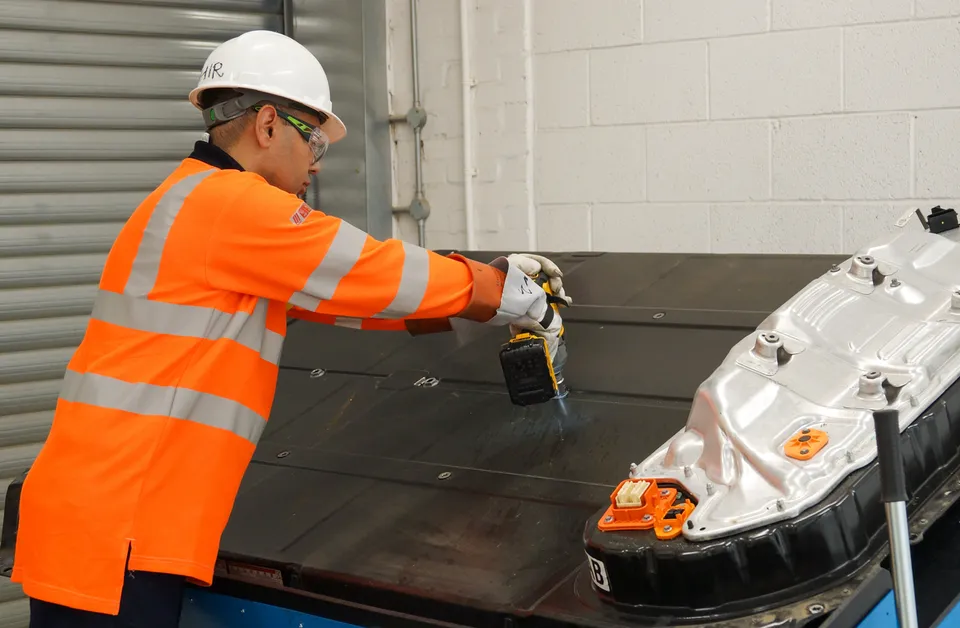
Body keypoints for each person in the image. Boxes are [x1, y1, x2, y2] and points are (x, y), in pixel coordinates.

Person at [10, 30, 569, 627]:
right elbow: (363, 267)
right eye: (314, 142)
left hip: (101, 514)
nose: (315, 165)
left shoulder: (189, 202)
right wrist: (492, 289)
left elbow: (342, 298)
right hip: (117, 524)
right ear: (269, 124)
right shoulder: (232, 206)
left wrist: (468, 302)